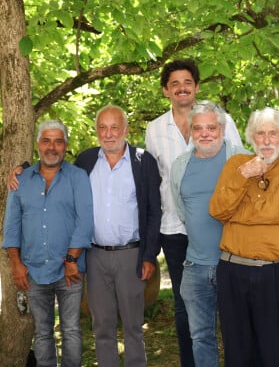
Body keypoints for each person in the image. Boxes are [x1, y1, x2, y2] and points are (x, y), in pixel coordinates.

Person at [145, 59, 241, 367]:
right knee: (185, 306)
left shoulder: (222, 121)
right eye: (175, 84)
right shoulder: (155, 129)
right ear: (166, 91)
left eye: (187, 82)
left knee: (230, 303)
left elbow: (239, 168)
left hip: (220, 228)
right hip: (175, 230)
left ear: (196, 87)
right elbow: (156, 180)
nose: (182, 88)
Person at [209, 107, 279, 366]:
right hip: (231, 270)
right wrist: (243, 176)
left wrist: (237, 213)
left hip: (276, 274)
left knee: (275, 353)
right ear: (251, 137)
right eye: (260, 134)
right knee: (237, 353)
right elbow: (217, 210)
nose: (266, 140)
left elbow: (274, 212)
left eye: (273, 134)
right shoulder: (235, 165)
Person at [75, 105, 162, 367]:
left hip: (131, 255)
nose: (109, 133)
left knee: (134, 326)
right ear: (96, 130)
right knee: (101, 325)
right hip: (95, 256)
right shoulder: (85, 161)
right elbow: (56, 177)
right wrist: (22, 169)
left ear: (126, 130)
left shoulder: (143, 161)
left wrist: (149, 256)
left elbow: (153, 212)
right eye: (103, 127)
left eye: (115, 127)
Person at [3, 120, 94, 367]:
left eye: (58, 141)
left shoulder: (78, 177)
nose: (51, 147)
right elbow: (11, 227)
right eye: (46, 141)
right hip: (33, 269)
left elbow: (84, 222)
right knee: (42, 332)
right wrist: (16, 264)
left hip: (69, 271)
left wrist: (72, 260)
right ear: (37, 145)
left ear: (66, 145)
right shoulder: (20, 181)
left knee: (72, 329)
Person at [170, 101, 250, 366]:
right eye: (198, 128)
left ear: (223, 129)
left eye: (211, 128)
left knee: (238, 335)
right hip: (195, 267)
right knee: (200, 337)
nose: (205, 134)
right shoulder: (180, 165)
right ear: (191, 131)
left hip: (236, 264)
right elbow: (182, 210)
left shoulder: (242, 160)